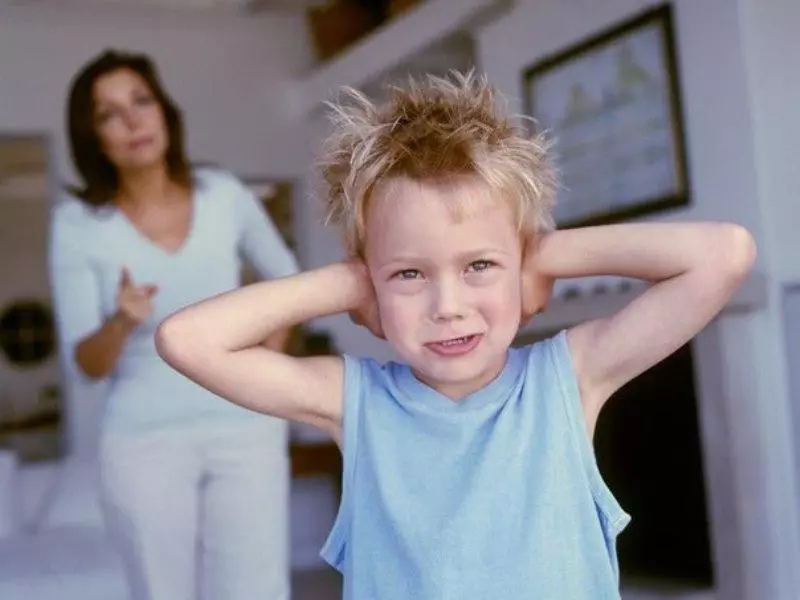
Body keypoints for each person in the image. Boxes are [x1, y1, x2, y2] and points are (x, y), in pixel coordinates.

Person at [154, 71, 756, 599]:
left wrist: (540, 257)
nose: (449, 306)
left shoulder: (567, 379)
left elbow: (724, 254)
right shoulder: (355, 403)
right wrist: (350, 282)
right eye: (410, 273)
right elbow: (186, 339)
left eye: (479, 267)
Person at [48, 49, 298, 600]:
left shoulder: (223, 194)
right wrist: (121, 320)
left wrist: (265, 369)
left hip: (245, 427)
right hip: (143, 442)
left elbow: (289, 284)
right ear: (93, 138)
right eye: (109, 113)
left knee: (256, 589)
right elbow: (87, 365)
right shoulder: (77, 225)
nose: (133, 120)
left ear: (165, 111)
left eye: (141, 101)